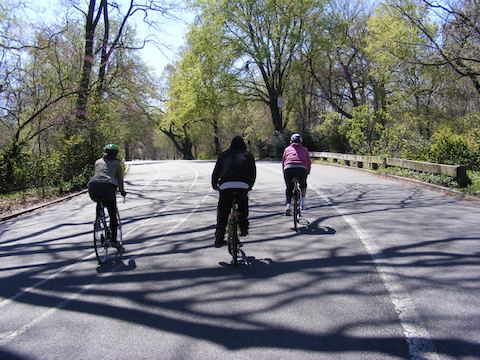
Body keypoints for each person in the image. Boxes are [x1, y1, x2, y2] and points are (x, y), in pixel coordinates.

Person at [212, 136, 256, 248]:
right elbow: (253, 173)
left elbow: (216, 172)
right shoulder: (248, 156)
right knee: (243, 206)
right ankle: (244, 227)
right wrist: (249, 186)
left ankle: (219, 236)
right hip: (242, 185)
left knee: (222, 212)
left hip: (226, 186)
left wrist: (214, 185)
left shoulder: (223, 155)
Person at [88, 143, 126, 251]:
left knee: (99, 200)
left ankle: (98, 221)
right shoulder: (117, 164)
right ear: (116, 154)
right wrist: (122, 191)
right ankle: (114, 241)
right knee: (113, 215)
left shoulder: (98, 162)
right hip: (108, 188)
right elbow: (120, 179)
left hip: (93, 187)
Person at [282, 133, 311, 215]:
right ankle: (303, 203)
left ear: (291, 141)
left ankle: (288, 205)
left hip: (288, 168)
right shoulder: (304, 149)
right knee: (303, 185)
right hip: (301, 169)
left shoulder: (287, 149)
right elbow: (308, 162)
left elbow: (284, 162)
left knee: (289, 188)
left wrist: (284, 172)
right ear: (300, 141)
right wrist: (307, 172)